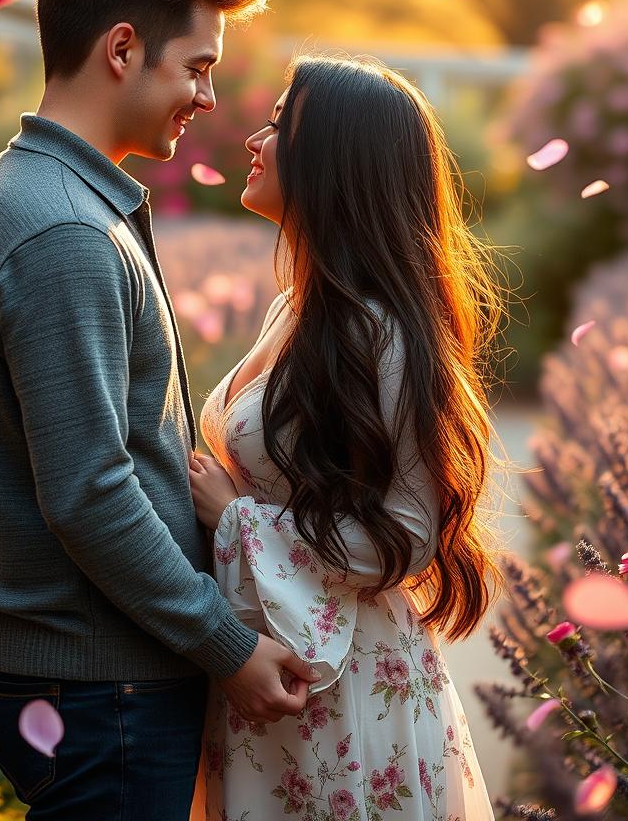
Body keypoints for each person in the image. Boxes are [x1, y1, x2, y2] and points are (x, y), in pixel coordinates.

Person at [0, 0, 322, 821]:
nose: (206, 94)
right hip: (98, 686)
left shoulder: (50, 195)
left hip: (85, 677)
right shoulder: (65, 229)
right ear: (122, 49)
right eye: (196, 65)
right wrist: (225, 644)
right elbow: (89, 488)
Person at [188, 54, 504, 820]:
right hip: (286, 673)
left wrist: (238, 516)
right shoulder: (295, 309)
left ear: (334, 158)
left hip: (346, 696)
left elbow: (405, 534)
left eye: (280, 124)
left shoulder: (379, 334)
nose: (256, 139)